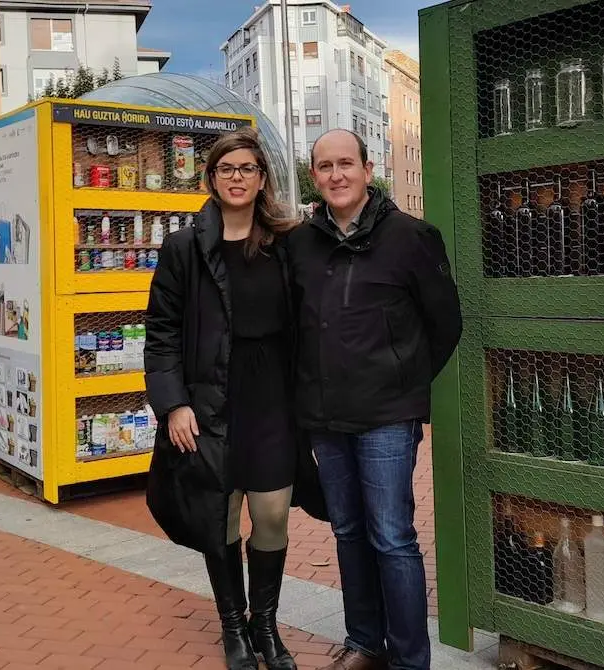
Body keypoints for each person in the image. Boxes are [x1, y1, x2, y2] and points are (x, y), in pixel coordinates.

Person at [144, 126, 327, 670]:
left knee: (272, 513)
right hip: (209, 402)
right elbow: (161, 331)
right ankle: (233, 629)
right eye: (227, 169)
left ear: (263, 177)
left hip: (273, 399)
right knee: (219, 515)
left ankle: (264, 626)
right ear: (212, 178)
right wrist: (173, 403)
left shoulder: (287, 243)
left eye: (247, 168)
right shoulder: (184, 248)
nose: (238, 178)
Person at [287, 129, 463, 670]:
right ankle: (365, 641)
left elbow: (446, 323)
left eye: (346, 163)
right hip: (326, 415)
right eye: (324, 166)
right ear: (313, 176)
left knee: (391, 536)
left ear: (368, 169)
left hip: (387, 415)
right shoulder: (299, 244)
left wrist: (403, 381)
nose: (336, 175)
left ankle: (410, 658)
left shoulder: (411, 237)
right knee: (348, 532)